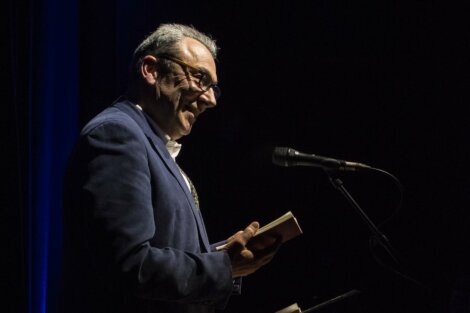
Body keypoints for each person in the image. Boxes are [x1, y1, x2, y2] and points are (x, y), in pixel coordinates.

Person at [60, 23, 280, 313]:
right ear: (151, 70)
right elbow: (131, 265)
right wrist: (223, 266)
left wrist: (226, 258)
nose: (210, 99)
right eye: (201, 78)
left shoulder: (152, 144)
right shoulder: (116, 135)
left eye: (214, 87)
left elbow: (165, 251)